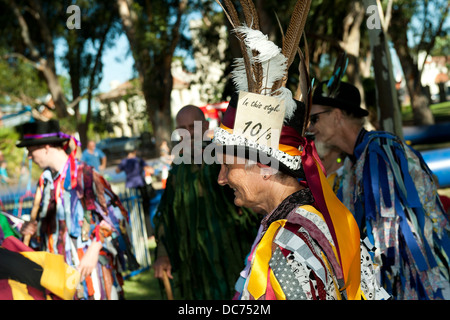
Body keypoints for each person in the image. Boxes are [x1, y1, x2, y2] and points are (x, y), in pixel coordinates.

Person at [309, 80, 450, 299]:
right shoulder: (350, 166)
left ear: (337, 115)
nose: (310, 128)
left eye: (314, 118)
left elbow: (394, 235)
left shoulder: (381, 150)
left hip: (425, 280)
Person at [17, 119, 138, 300]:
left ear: (46, 147)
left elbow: (117, 215)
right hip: (60, 278)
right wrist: (33, 231)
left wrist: (94, 249)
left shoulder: (85, 175)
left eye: (30, 150)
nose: (29, 156)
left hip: (90, 274)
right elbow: (52, 230)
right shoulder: (46, 182)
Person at [153, 105, 260, 300]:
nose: (188, 134)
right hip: (195, 270)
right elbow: (166, 216)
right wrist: (163, 254)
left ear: (204, 125)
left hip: (233, 260)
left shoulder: (225, 159)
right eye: (182, 129)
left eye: (191, 127)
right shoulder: (178, 171)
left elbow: (253, 205)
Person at [116, 146, 154, 238]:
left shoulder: (124, 162)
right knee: (145, 212)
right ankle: (149, 233)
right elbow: (150, 170)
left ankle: (135, 234)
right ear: (135, 151)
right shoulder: (138, 160)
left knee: (131, 212)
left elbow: (117, 171)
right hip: (140, 186)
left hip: (130, 188)